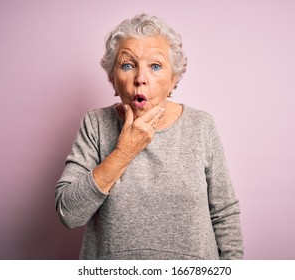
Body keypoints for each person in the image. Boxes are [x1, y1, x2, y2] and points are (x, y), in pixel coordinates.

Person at [55, 13, 243, 260]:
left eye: (155, 66)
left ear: (173, 80)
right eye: (127, 65)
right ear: (113, 80)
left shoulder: (201, 126)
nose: (140, 78)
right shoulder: (95, 124)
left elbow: (224, 213)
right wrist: (125, 151)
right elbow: (69, 213)